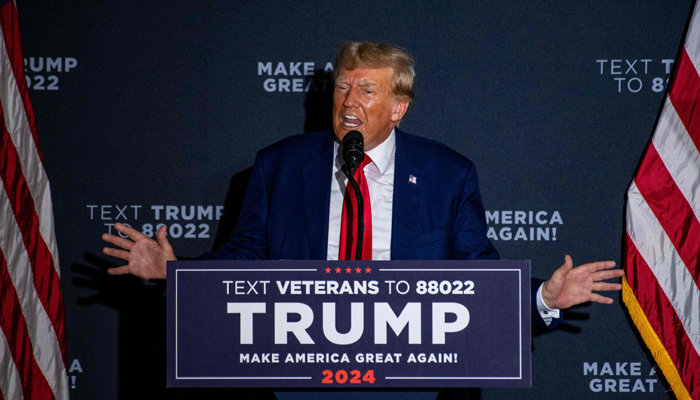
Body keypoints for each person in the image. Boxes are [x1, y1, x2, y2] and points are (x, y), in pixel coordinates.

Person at [102, 41, 624, 326]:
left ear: (398, 108)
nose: (349, 101)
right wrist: (177, 273)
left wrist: (545, 300)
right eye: (343, 87)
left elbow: (477, 275)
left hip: (410, 375)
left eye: (366, 91)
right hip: (294, 367)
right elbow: (246, 254)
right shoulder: (280, 165)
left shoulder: (448, 173)